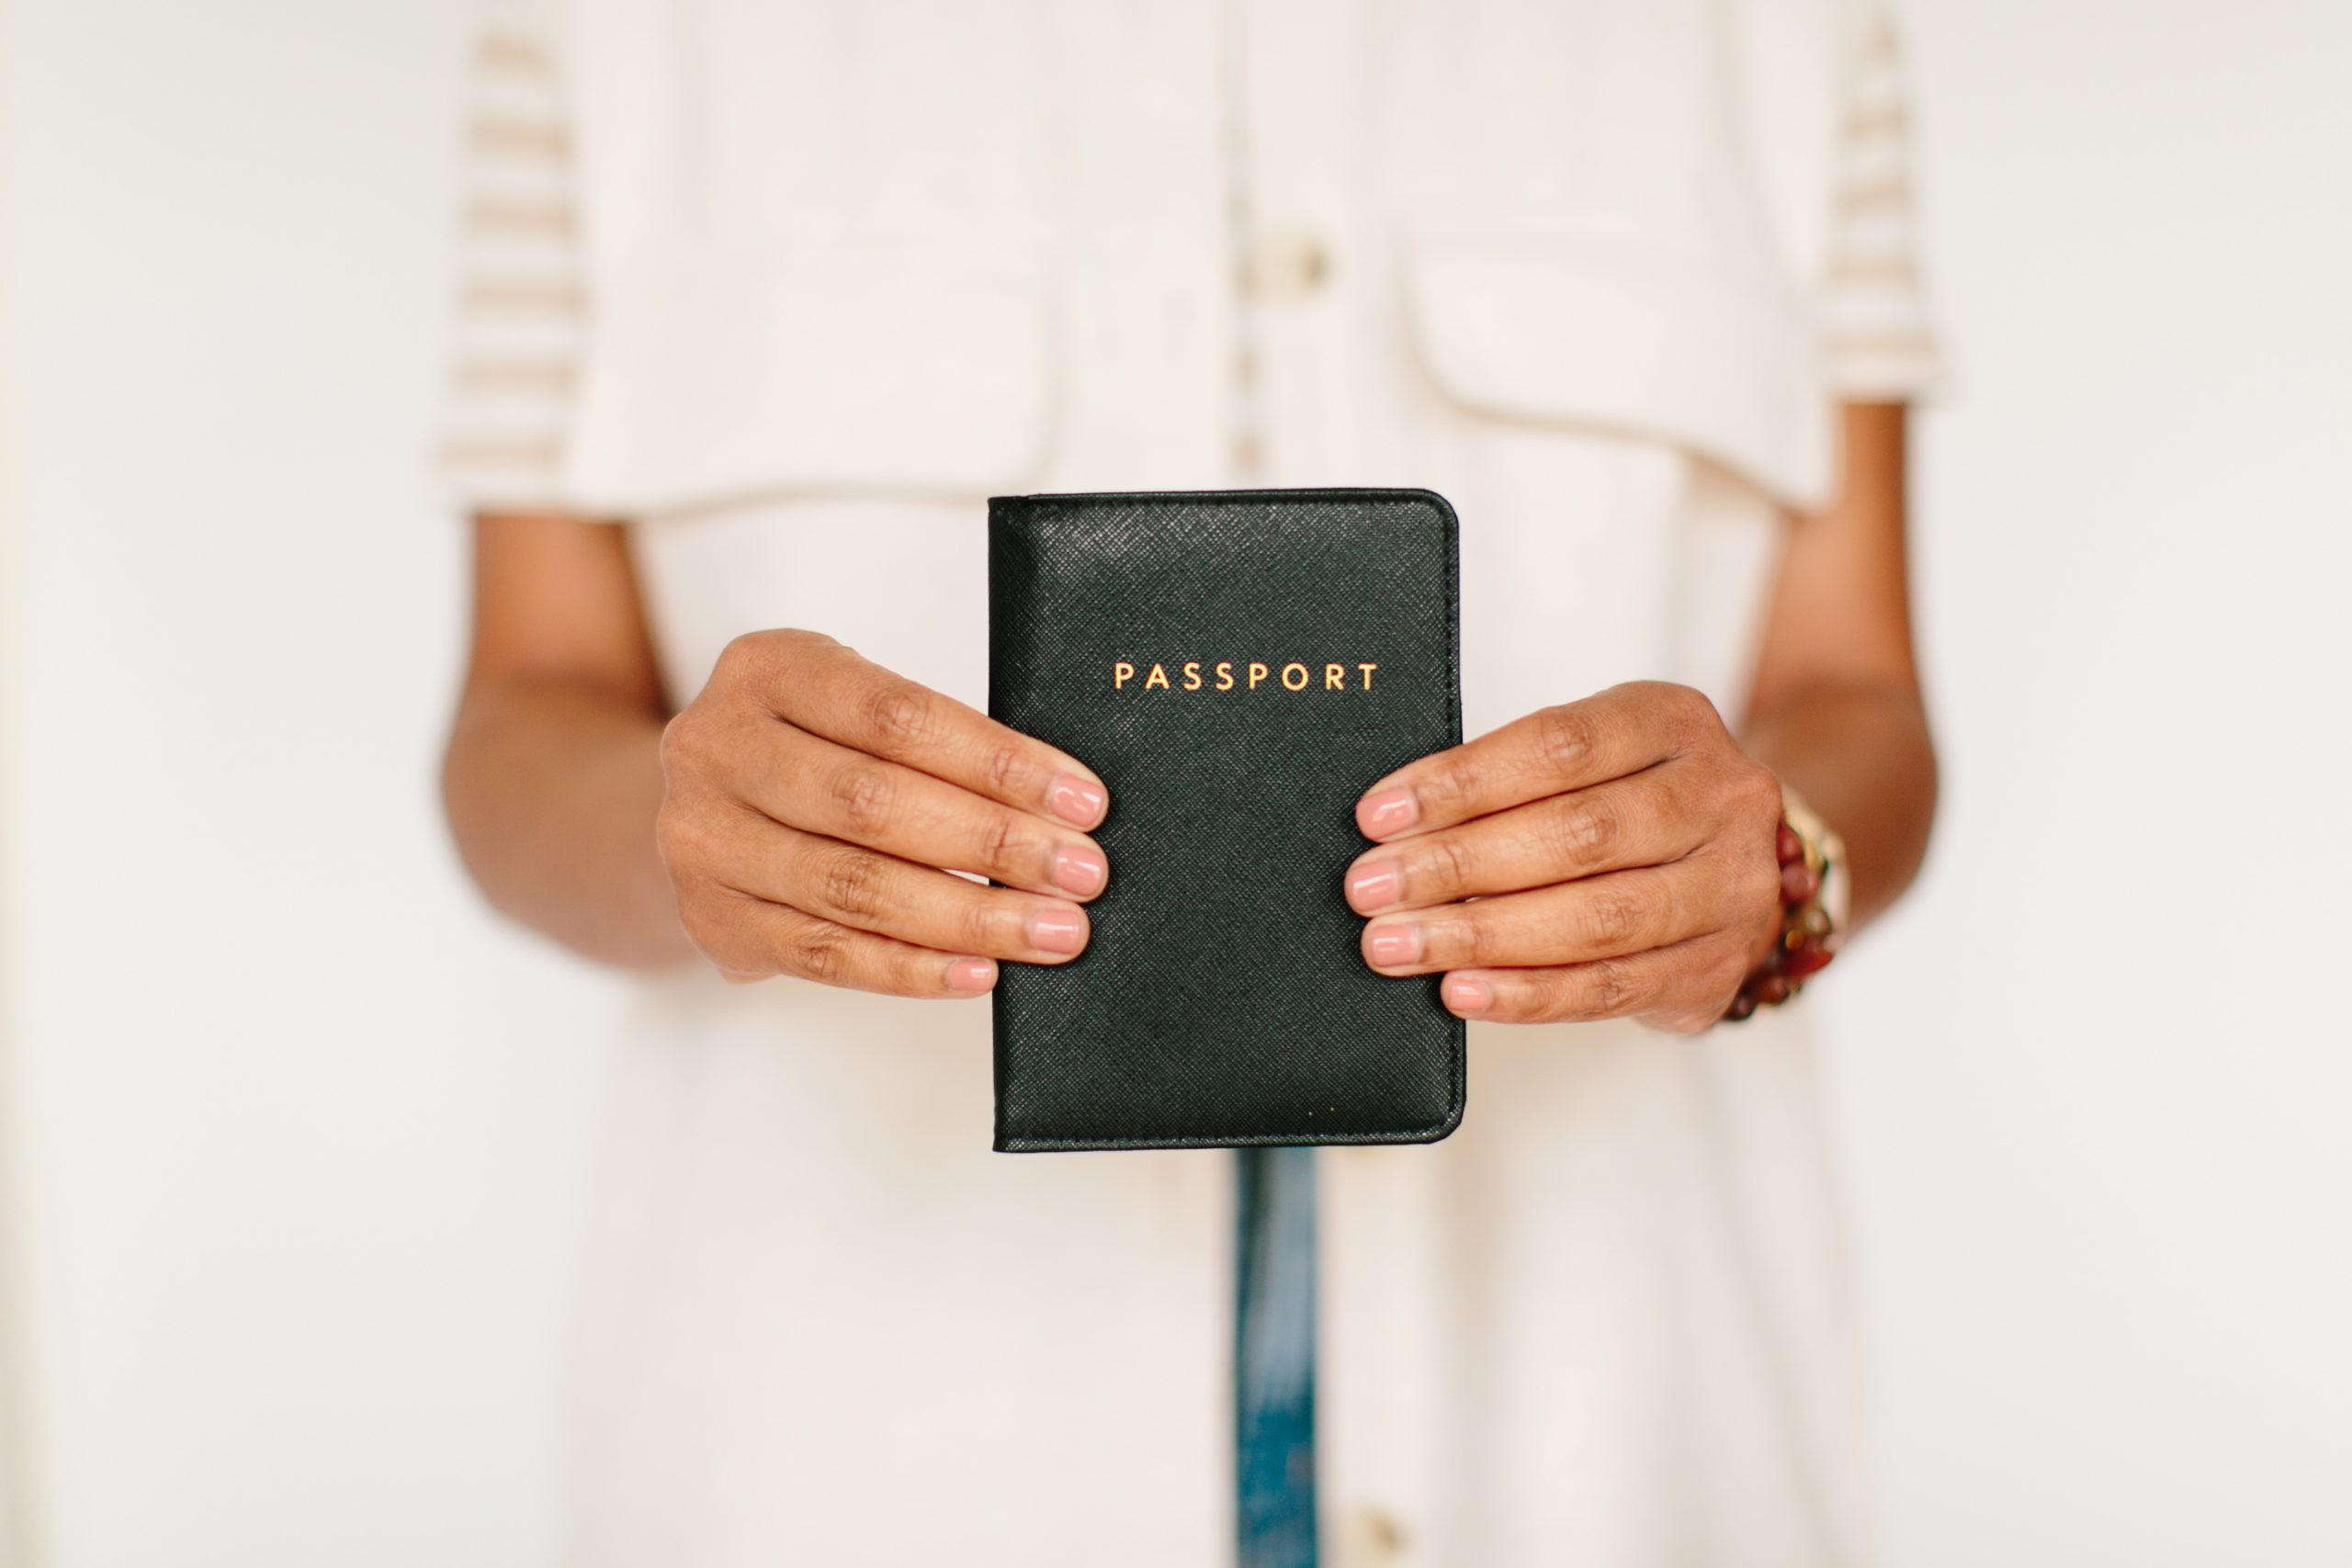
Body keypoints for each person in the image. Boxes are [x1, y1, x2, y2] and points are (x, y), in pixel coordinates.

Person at [436, 1, 1943, 1563]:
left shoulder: (1791, 32)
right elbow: (519, 722)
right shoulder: (602, 34)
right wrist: (696, 831)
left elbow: (1864, 700)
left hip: (1613, 1421)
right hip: (856, 1447)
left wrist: (1773, 867)